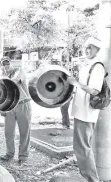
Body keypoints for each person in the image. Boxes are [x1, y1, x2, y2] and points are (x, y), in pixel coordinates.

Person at [67, 37, 105, 182]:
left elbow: (95, 91)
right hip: (81, 112)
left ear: (98, 50)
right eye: (86, 47)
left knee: (82, 148)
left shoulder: (97, 67)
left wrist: (76, 83)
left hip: (87, 114)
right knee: (81, 148)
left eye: (91, 47)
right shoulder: (87, 66)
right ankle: (88, 177)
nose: (88, 50)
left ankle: (91, 179)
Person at [0, 56, 32, 165]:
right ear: (0, 67)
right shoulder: (3, 76)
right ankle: (9, 153)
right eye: (3, 65)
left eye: (7, 64)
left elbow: (13, 82)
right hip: (10, 106)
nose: (6, 66)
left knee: (24, 132)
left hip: (23, 104)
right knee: (8, 132)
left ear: (11, 64)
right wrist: (2, 108)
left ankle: (23, 156)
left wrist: (3, 79)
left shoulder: (19, 71)